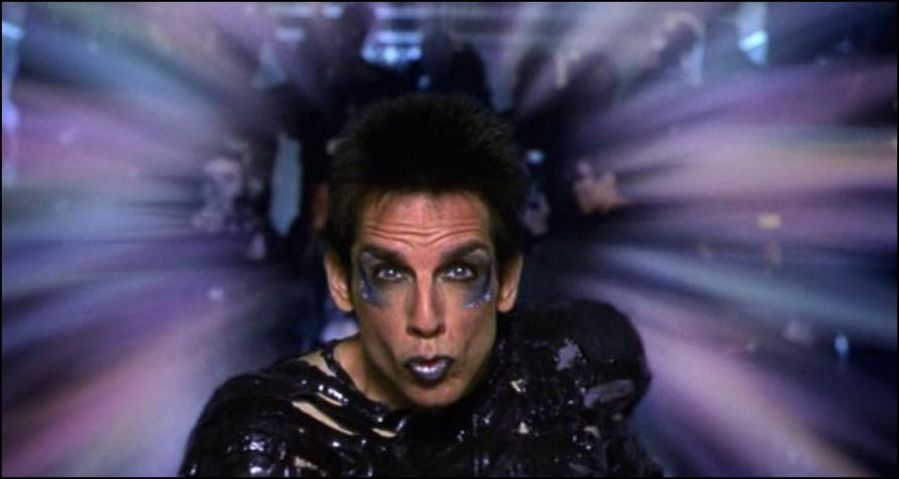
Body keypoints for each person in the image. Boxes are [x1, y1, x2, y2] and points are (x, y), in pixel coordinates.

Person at [179, 94, 661, 476]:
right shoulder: (267, 441)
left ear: (507, 280)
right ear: (341, 281)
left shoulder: (567, 371)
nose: (425, 319)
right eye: (389, 273)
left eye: (459, 272)